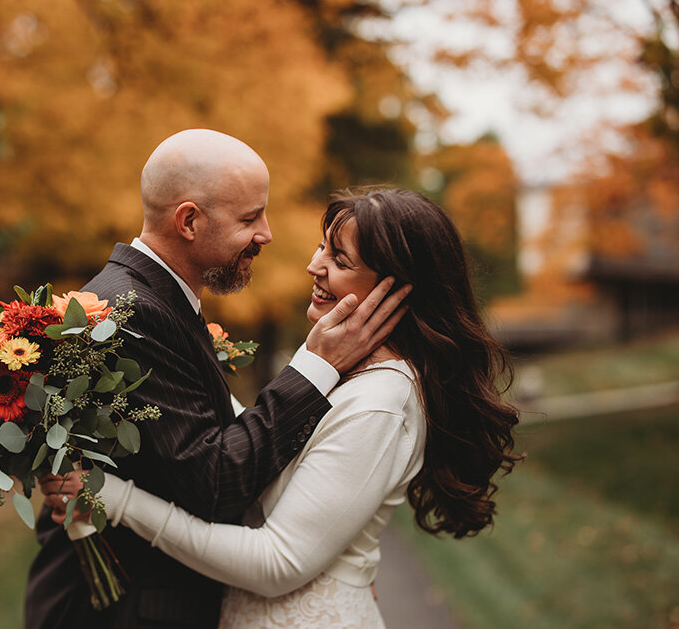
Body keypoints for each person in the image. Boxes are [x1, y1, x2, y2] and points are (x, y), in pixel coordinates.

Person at [45, 188, 523, 627]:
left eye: (340, 259)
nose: (315, 267)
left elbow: (277, 563)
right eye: (322, 248)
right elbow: (254, 448)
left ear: (395, 287)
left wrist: (114, 496)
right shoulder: (341, 364)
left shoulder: (381, 401)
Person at [24, 130, 410, 629]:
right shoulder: (134, 312)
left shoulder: (152, 300)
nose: (267, 234)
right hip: (120, 610)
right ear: (189, 220)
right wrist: (316, 365)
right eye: (250, 218)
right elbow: (214, 480)